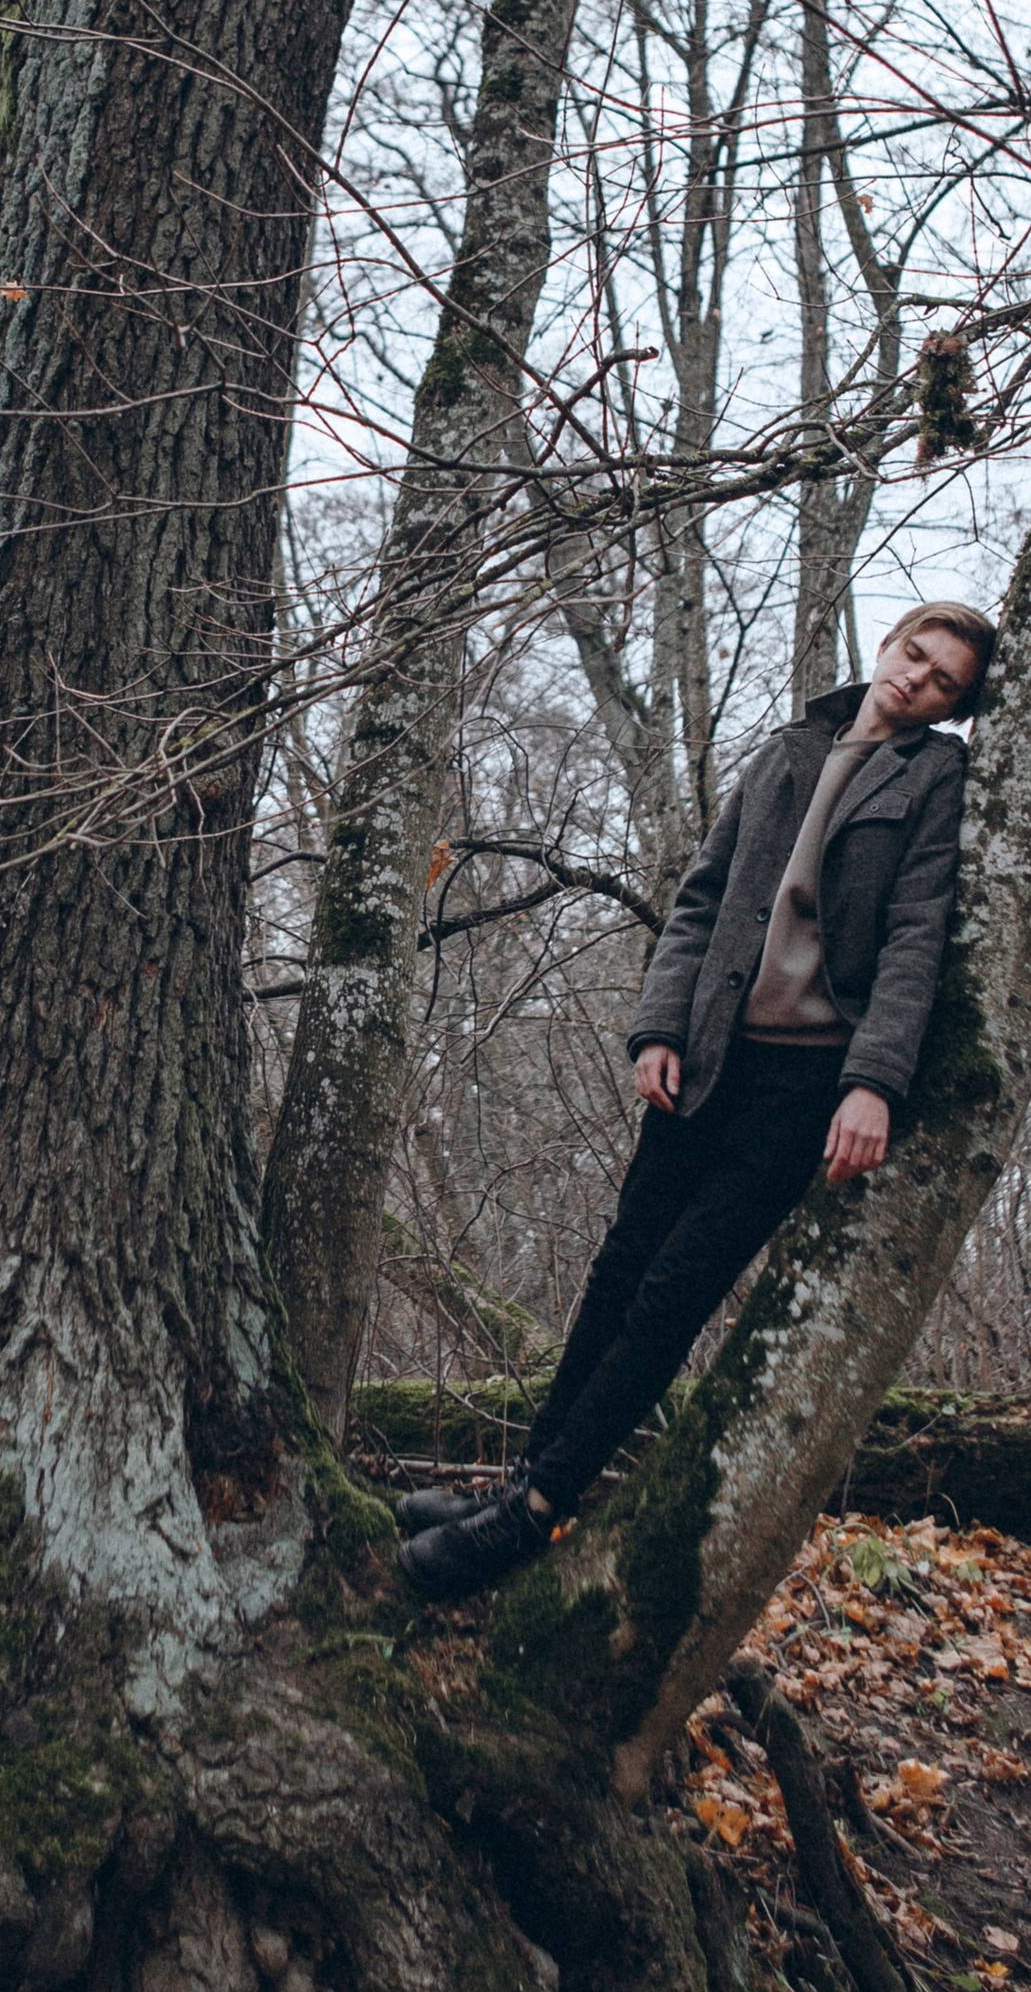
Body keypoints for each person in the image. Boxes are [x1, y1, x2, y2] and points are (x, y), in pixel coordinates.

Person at [400, 598, 996, 1601]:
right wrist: (657, 1029)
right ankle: (519, 1480)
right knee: (619, 1269)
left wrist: (873, 1083)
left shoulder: (935, 777)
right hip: (707, 1057)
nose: (916, 681)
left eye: (943, 683)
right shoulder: (789, 748)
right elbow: (700, 898)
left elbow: (916, 939)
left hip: (804, 1084)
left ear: (953, 706)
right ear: (889, 642)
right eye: (914, 656)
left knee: (672, 1294)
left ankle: (538, 1510)